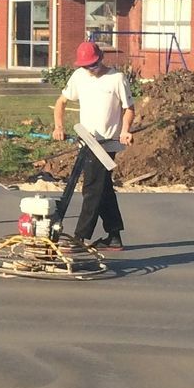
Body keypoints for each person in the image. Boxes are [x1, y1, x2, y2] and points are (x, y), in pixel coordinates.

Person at [51, 39, 133, 250]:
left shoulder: (117, 78)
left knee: (92, 188)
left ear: (101, 59)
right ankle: (114, 236)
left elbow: (129, 108)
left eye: (93, 65)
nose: (90, 70)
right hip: (86, 141)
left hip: (106, 144)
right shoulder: (79, 77)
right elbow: (61, 102)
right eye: (86, 66)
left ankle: (80, 238)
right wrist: (58, 127)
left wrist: (124, 131)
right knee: (103, 188)